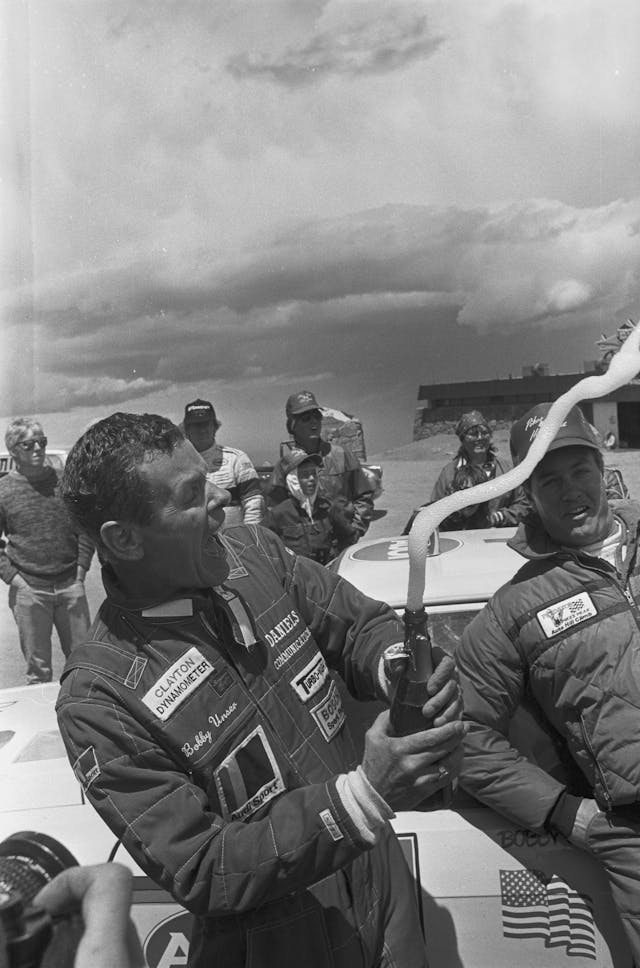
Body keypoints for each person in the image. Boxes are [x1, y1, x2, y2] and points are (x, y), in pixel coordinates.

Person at [56, 412, 464, 968]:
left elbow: (361, 625)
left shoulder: (254, 555)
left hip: (378, 879)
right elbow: (203, 867)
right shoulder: (100, 699)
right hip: (282, 940)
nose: (221, 501)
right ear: (124, 539)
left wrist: (400, 667)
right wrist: (363, 797)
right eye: (194, 494)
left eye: (211, 479)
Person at [457, 402, 640, 962]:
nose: (569, 491)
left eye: (579, 471)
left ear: (602, 471)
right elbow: (463, 735)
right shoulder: (512, 611)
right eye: (549, 481)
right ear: (527, 497)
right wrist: (564, 812)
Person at [0, 417, 93, 684]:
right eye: (29, 444)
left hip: (71, 587)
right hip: (29, 593)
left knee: (83, 666)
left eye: (42, 441)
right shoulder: (3, 491)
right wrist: (16, 582)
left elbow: (85, 529)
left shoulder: (66, 482)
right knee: (38, 673)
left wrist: (80, 572)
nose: (38, 448)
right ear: (14, 450)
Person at [268, 391, 374, 550]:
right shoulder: (285, 466)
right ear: (292, 425)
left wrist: (356, 531)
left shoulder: (343, 455)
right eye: (305, 418)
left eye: (316, 416)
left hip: (343, 544)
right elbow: (277, 512)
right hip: (305, 550)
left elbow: (363, 496)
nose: (313, 422)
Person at [428, 410, 528, 531]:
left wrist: (500, 517)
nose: (479, 438)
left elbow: (524, 504)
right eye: (473, 434)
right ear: (462, 439)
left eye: (484, 433)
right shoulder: (449, 473)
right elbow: (435, 509)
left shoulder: (506, 469)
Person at [182, 398, 264, 526]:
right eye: (196, 425)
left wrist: (250, 536)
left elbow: (253, 502)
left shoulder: (236, 459)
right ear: (187, 430)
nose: (202, 430)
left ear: (214, 427)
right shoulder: (178, 464)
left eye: (206, 424)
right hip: (193, 543)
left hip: (234, 542)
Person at [263, 449, 350, 565]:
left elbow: (348, 536)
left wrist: (336, 560)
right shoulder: (279, 514)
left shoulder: (328, 507)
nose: (312, 479)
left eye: (313, 473)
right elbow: (262, 546)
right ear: (293, 480)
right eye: (304, 475)